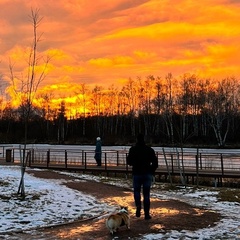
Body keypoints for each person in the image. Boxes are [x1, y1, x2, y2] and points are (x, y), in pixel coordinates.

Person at [127, 134, 158, 220]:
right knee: (146, 194)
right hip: (147, 173)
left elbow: (129, 161)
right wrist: (151, 171)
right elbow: (155, 163)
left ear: (137, 140)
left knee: (136, 192)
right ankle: (147, 214)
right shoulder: (149, 150)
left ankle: (138, 206)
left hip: (136, 173)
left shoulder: (133, 149)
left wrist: (134, 163)